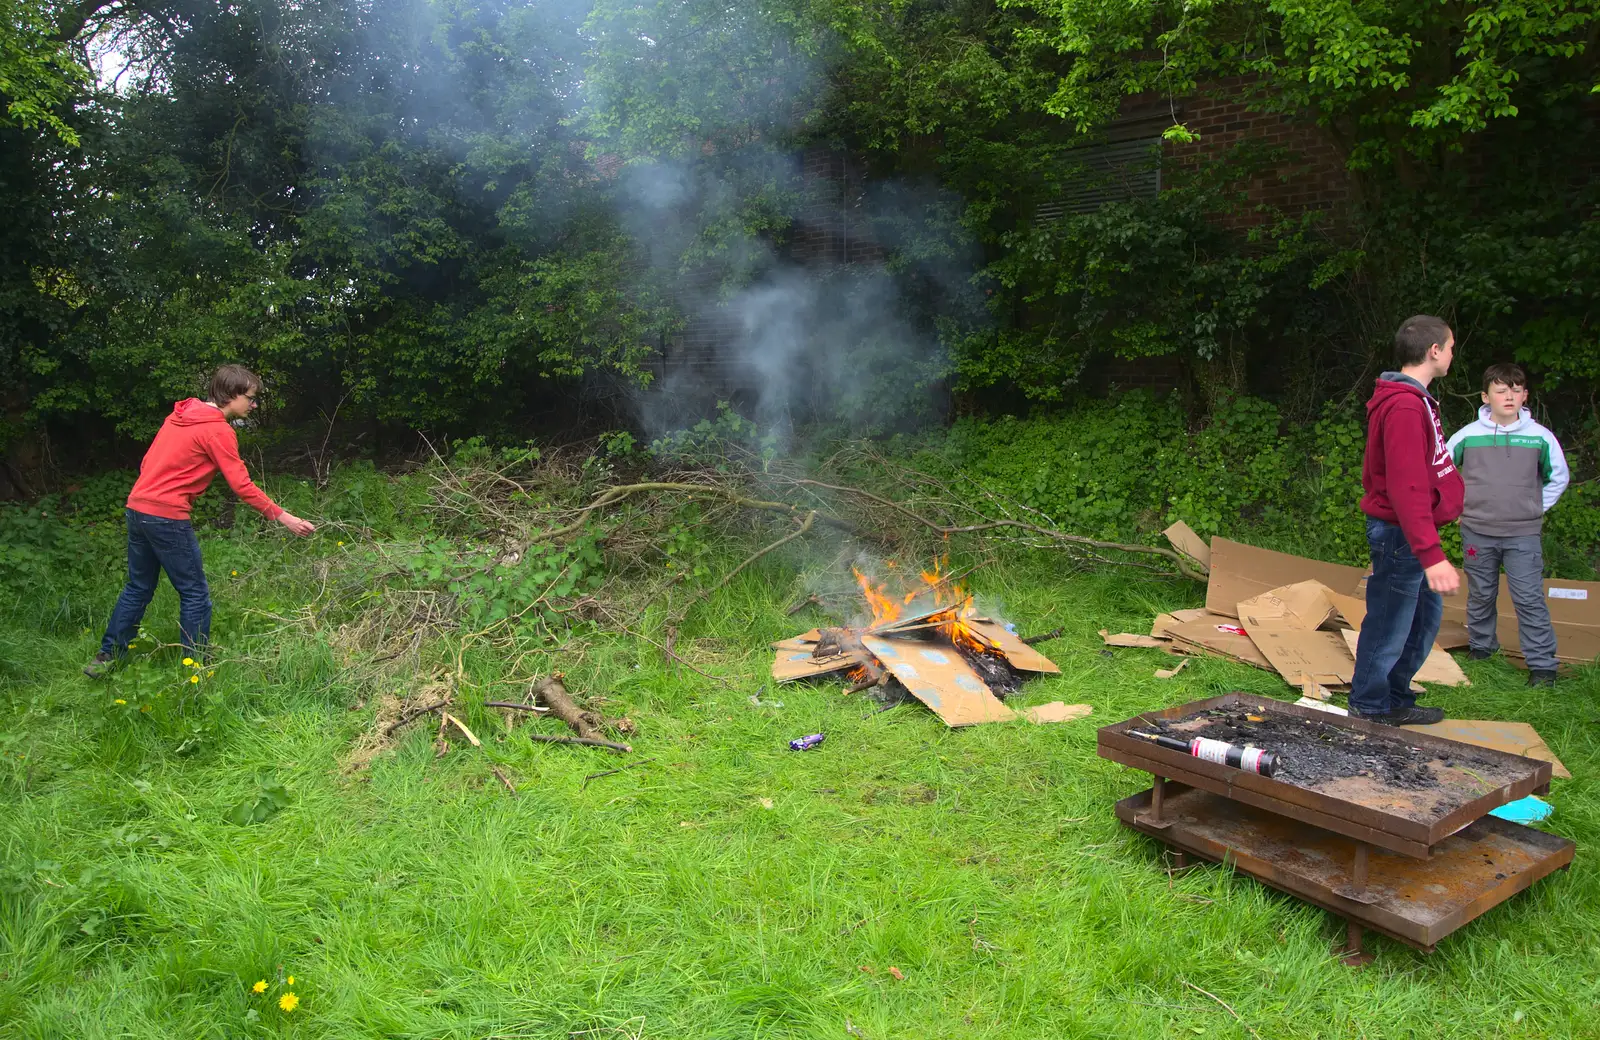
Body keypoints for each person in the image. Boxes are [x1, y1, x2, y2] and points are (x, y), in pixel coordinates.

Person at [84, 366, 315, 677]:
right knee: (194, 593)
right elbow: (242, 485)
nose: (254, 405)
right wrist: (284, 517)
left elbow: (147, 463)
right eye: (251, 398)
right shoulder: (218, 430)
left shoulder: (178, 416)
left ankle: (106, 658)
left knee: (138, 587)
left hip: (137, 509)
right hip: (166, 517)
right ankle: (196, 669)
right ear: (232, 395)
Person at [1350, 315, 1465, 725]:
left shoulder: (1415, 401)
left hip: (1415, 534)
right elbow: (1406, 487)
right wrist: (1431, 554)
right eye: (1450, 347)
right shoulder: (1402, 406)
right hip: (1402, 535)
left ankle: (1394, 696)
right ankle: (1369, 707)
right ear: (1434, 351)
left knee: (1420, 622)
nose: (1452, 354)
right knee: (1389, 622)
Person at [1445, 363, 1569, 687]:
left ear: (1525, 395)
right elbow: (1442, 472)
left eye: (1516, 389)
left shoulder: (1540, 437)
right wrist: (1455, 505)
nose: (1509, 396)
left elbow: (1559, 477)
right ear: (1487, 397)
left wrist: (1536, 506)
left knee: (1528, 598)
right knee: (1481, 593)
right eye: (1501, 390)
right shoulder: (1468, 436)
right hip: (1476, 531)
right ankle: (1482, 649)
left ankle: (1542, 667)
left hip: (1522, 534)